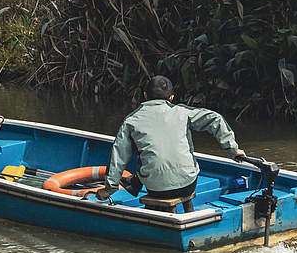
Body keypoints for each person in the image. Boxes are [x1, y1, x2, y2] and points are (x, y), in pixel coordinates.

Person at [102, 75, 248, 210]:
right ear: (171, 97)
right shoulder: (183, 112)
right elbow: (215, 118)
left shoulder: (131, 120)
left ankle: (134, 184)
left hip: (156, 188)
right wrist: (232, 150)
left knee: (143, 158)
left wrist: (110, 188)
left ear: (145, 95)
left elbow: (118, 156)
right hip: (188, 184)